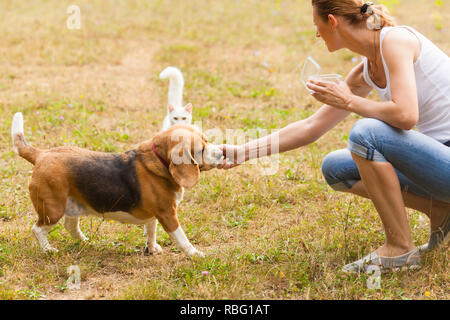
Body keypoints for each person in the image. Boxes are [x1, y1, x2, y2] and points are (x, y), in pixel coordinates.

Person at [218, 0, 450, 273]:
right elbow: (312, 127)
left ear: (333, 21)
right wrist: (242, 152)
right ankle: (441, 211)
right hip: (438, 162)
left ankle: (399, 248)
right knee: (336, 168)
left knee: (366, 134)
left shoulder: (396, 42)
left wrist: (349, 102)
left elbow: (406, 115)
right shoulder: (367, 69)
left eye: (317, 25)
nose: (317, 33)